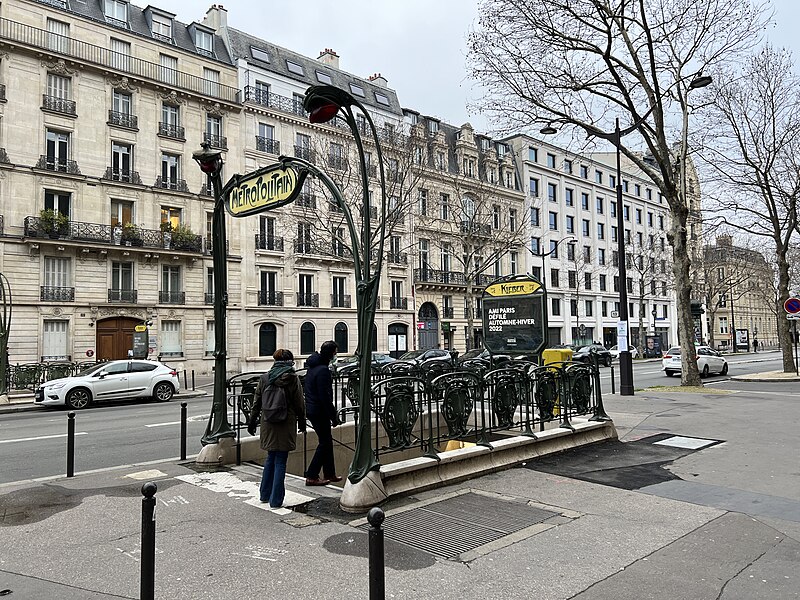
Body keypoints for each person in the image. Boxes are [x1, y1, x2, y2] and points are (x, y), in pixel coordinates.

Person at [247, 349, 305, 508]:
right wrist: (302, 421)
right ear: (290, 362)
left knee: (270, 457)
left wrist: (252, 421)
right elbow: (299, 403)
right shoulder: (292, 378)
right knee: (280, 461)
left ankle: (264, 494)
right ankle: (276, 500)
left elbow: (256, 402)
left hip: (268, 422)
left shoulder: (265, 378)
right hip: (286, 422)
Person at [303, 340, 340, 486]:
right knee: (324, 442)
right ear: (331, 353)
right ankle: (312, 475)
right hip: (319, 411)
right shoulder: (323, 370)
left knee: (327, 441)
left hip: (312, 409)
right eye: (335, 352)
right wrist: (333, 416)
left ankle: (329, 473)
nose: (336, 355)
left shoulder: (313, 368)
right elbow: (325, 396)